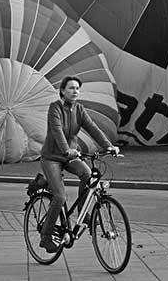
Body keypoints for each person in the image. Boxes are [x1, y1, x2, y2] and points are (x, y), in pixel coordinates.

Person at [39, 76, 119, 253]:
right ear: (62, 91)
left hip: (70, 156)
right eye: (71, 88)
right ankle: (46, 236)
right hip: (52, 157)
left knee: (88, 175)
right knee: (59, 197)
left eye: (77, 88)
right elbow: (57, 130)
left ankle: (83, 212)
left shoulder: (79, 109)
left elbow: (93, 129)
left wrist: (109, 146)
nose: (75, 91)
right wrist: (67, 149)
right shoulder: (55, 108)